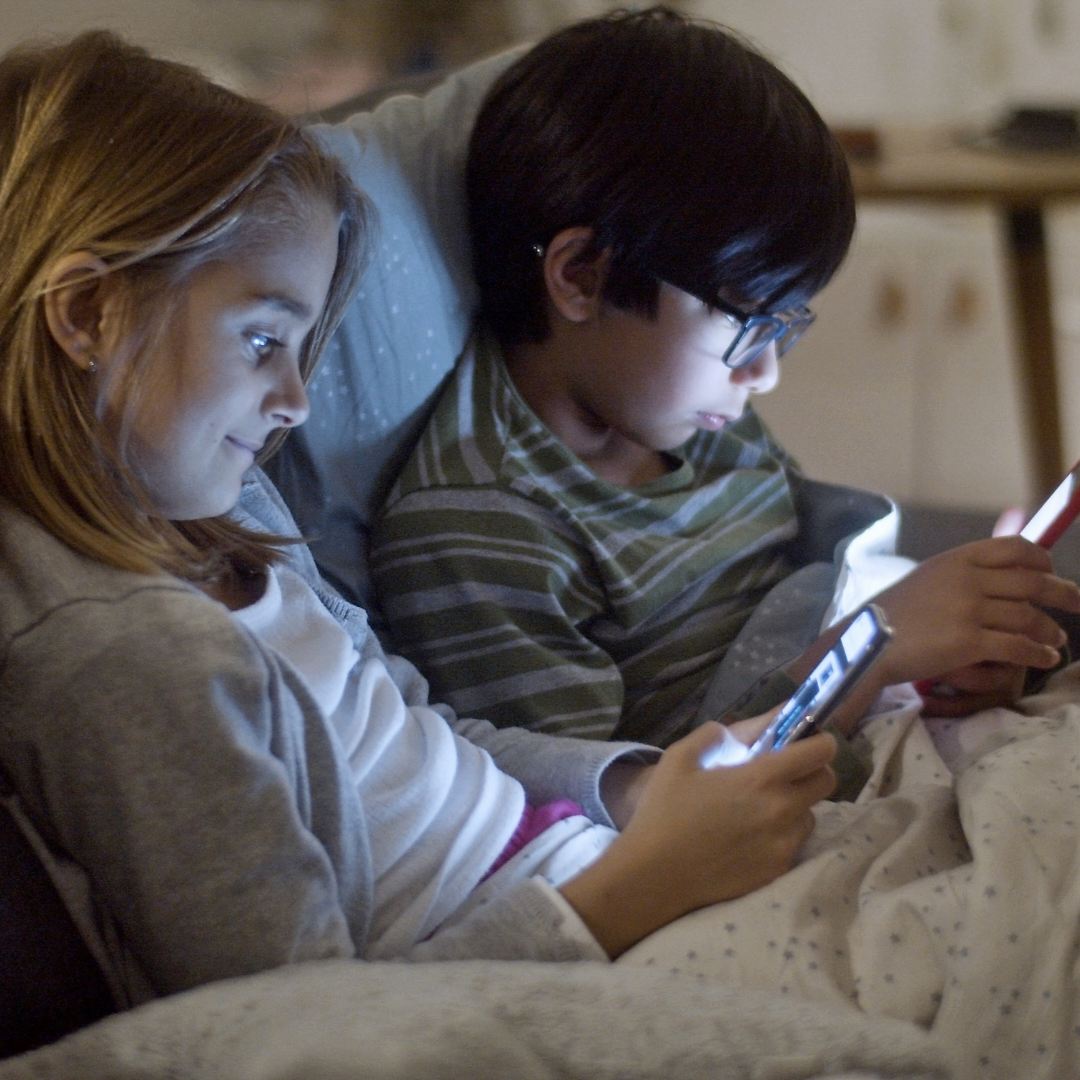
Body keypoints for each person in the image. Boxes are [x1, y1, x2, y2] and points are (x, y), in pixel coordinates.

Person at [0, 29, 852, 1007]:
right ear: (85, 314)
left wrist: (629, 789)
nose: (297, 401)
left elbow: (420, 742)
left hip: (570, 864)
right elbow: (298, 1025)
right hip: (535, 961)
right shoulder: (126, 661)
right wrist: (637, 888)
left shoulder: (223, 507)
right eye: (264, 338)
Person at [369, 7, 1061, 749]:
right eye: (749, 325)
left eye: (786, 328)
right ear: (581, 276)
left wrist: (938, 663)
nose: (763, 375)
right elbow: (616, 820)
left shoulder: (675, 413)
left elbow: (781, 609)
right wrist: (874, 646)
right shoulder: (482, 530)